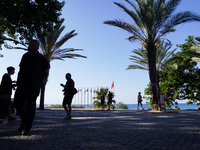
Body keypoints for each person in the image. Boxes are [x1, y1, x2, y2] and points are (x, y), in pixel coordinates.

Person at [14, 39, 50, 136]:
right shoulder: (25, 56)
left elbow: (46, 73)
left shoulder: (42, 59)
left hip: (34, 86)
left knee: (30, 107)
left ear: (37, 47)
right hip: (22, 85)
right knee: (17, 103)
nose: (30, 47)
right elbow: (20, 70)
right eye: (29, 45)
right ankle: (24, 121)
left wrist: (39, 82)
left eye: (32, 46)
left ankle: (27, 127)